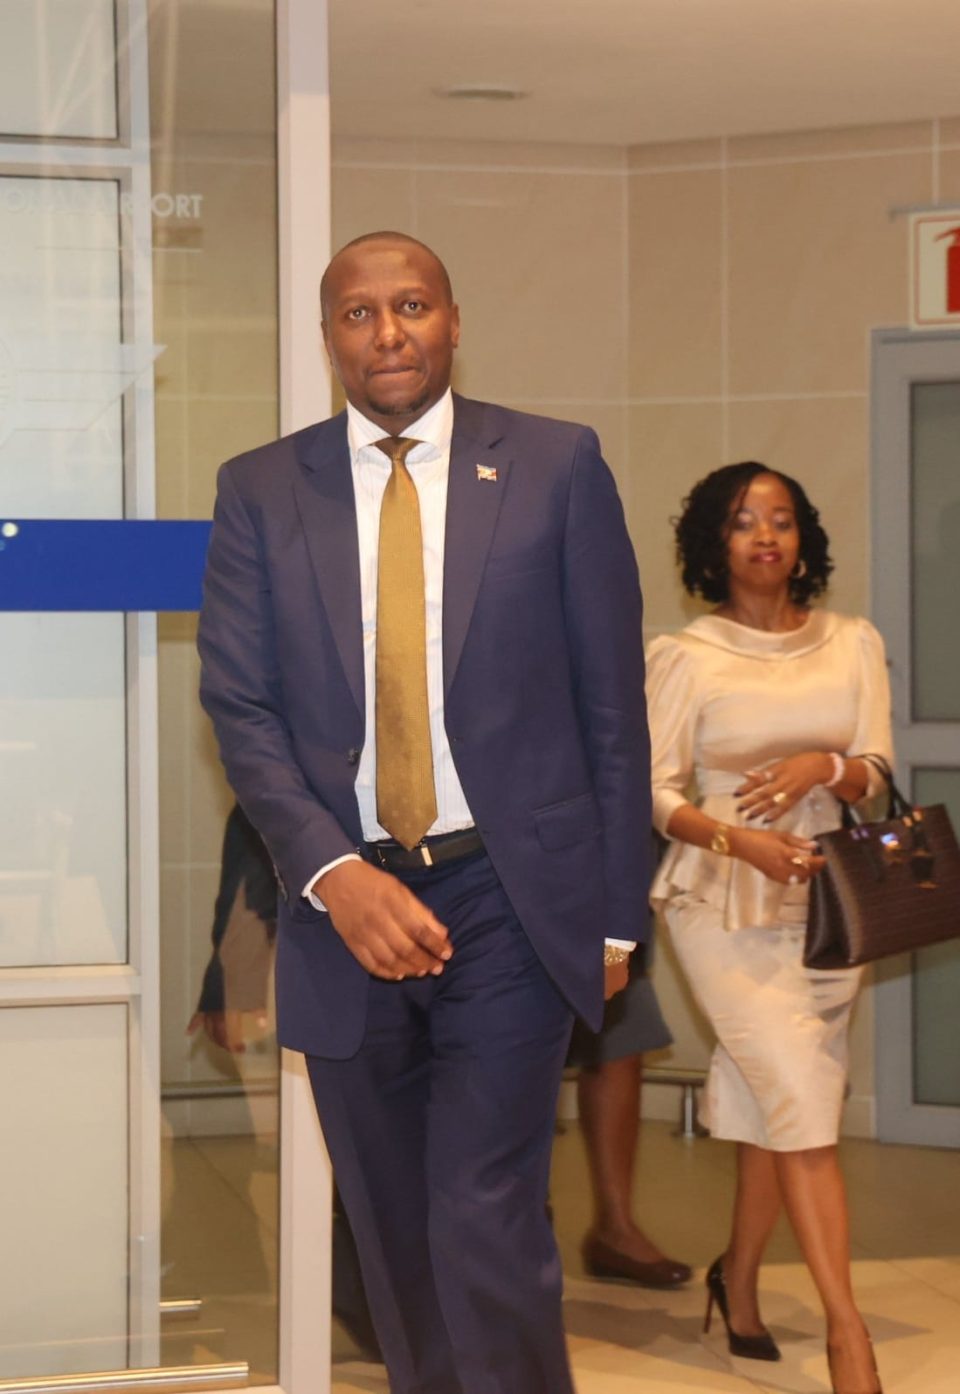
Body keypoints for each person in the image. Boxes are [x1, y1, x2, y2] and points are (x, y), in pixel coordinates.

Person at [197, 230, 652, 1394]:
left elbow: (611, 701)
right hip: (345, 905)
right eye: (359, 312)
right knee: (393, 1230)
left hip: (510, 893)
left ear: (454, 321)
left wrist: (615, 913)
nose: (387, 331)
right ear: (328, 336)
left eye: (411, 305)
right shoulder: (260, 489)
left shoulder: (554, 464)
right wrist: (334, 874)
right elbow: (240, 704)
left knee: (484, 1209)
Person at [646, 462, 890, 1394]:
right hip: (721, 900)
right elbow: (653, 792)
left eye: (781, 520)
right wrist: (737, 837)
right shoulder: (685, 654)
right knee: (803, 1103)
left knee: (774, 1103)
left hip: (831, 904)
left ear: (802, 539)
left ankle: (738, 1280)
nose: (765, 536)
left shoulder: (853, 641)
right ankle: (848, 1335)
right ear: (715, 543)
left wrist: (822, 765)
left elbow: (876, 769)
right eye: (745, 521)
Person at [568, 925, 691, 1289]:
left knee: (621, 1036)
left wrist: (618, 946)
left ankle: (615, 1230)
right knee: (518, 1054)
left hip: (607, 919)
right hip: (508, 914)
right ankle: (521, 1227)